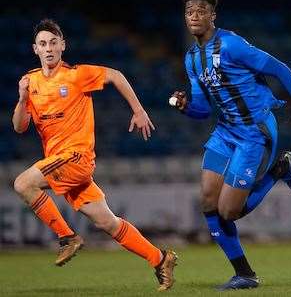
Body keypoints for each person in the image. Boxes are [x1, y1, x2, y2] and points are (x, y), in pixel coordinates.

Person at [171, 0, 291, 290]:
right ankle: (244, 274)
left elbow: (279, 69)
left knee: (229, 211)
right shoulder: (192, 59)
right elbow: (203, 109)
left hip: (254, 131)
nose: (194, 15)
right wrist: (186, 106)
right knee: (207, 200)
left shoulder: (231, 45)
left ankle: (279, 170)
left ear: (213, 16)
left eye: (202, 10)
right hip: (224, 131)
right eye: (190, 10)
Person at [12, 19, 177, 291]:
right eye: (43, 44)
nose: (49, 48)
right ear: (35, 49)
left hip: (76, 157)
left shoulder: (76, 75)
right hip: (60, 164)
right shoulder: (31, 83)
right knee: (107, 222)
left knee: (22, 183)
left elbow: (116, 75)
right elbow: (19, 127)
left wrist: (138, 110)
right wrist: (20, 99)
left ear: (63, 46)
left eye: (54, 42)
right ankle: (160, 259)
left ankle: (67, 237)